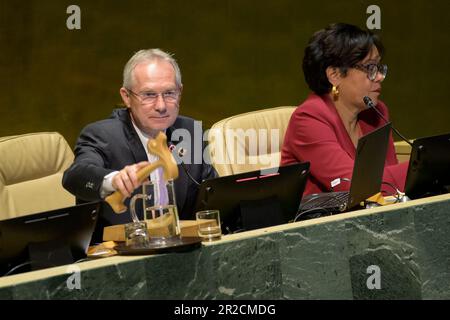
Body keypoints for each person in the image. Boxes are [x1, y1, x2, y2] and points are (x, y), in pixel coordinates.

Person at [63, 49, 217, 243]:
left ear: (181, 93)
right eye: (149, 95)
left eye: (169, 93)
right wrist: (113, 180)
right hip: (122, 260)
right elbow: (75, 176)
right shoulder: (102, 135)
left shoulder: (190, 132)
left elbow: (214, 197)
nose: (161, 106)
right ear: (126, 97)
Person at [281, 23, 408, 196]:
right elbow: (355, 187)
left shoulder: (376, 112)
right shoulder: (308, 119)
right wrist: (426, 166)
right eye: (370, 68)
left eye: (379, 67)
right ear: (335, 75)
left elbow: (393, 191)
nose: (379, 77)